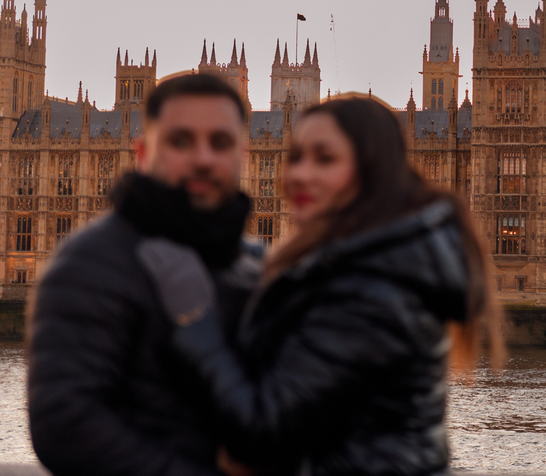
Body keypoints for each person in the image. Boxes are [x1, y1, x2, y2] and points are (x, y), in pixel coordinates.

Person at [137, 96, 501, 476]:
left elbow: (260, 433)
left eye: (324, 159)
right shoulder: (373, 266)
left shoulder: (371, 293)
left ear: (370, 171)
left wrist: (194, 317)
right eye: (295, 157)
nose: (299, 175)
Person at [27, 74, 260, 476]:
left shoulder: (257, 265)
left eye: (219, 142)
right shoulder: (85, 263)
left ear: (244, 154)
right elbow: (64, 423)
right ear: (142, 152)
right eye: (181, 141)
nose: (202, 158)